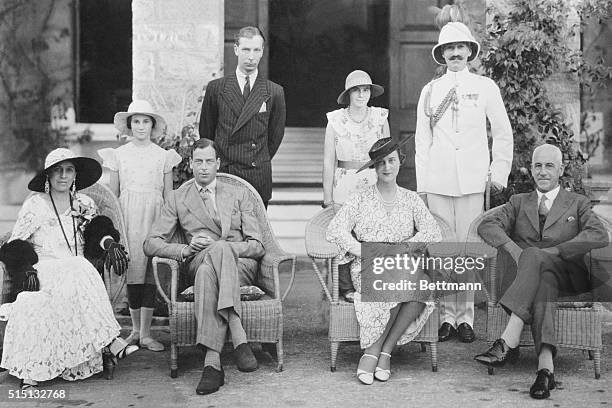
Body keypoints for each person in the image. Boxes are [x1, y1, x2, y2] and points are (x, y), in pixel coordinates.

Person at [474, 144, 608, 399]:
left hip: (569, 277)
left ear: (561, 169)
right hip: (530, 280)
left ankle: (508, 339)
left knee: (539, 260)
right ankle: (545, 371)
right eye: (538, 165)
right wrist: (516, 251)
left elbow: (598, 234)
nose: (543, 171)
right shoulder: (518, 202)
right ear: (532, 170)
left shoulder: (577, 203)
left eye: (549, 165)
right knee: (543, 281)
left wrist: (556, 252)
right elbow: (488, 225)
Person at [0, 148, 137, 389]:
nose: (63, 176)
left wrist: (110, 242)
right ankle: (112, 342)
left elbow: (97, 231)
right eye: (57, 171)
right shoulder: (36, 205)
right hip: (46, 270)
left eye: (69, 170)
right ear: (48, 176)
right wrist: (26, 269)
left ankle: (108, 343)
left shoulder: (85, 203)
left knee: (78, 264)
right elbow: (15, 244)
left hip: (78, 274)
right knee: (77, 266)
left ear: (75, 175)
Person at [415, 21, 513, 343]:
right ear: (441, 54)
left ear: (470, 51)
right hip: (439, 179)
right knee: (443, 250)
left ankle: (466, 318)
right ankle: (446, 317)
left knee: (468, 250)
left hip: (473, 179)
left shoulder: (485, 86)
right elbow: (422, 140)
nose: (455, 53)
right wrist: (423, 185)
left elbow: (502, 132)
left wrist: (498, 174)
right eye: (449, 48)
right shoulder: (430, 91)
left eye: (460, 47)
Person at [144, 138, 265, 395]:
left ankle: (212, 363)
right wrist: (185, 250)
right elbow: (150, 243)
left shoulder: (238, 193)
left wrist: (226, 247)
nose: (204, 167)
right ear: (190, 164)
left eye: (209, 161)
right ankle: (237, 332)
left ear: (218, 164)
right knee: (206, 266)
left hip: (239, 265)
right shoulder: (178, 198)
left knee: (210, 267)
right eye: (198, 161)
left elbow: (257, 246)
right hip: (197, 259)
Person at [326, 137, 442, 385]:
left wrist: (404, 248)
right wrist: (362, 251)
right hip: (369, 266)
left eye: (391, 161)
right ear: (374, 167)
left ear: (400, 161)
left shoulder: (411, 199)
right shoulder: (360, 199)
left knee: (420, 284)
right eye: (380, 163)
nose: (387, 167)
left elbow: (432, 231)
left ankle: (383, 351)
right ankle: (374, 351)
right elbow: (335, 230)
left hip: (403, 265)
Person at [98, 100, 181, 352]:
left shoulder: (163, 157)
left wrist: (169, 226)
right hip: (128, 217)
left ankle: (146, 333)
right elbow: (112, 195)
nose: (141, 126)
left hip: (155, 217)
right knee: (133, 271)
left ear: (152, 125)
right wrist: (113, 227)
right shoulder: (119, 155)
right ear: (129, 125)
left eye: (146, 121)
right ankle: (134, 330)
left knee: (149, 274)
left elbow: (169, 196)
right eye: (136, 121)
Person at [199, 26, 286, 208]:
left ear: (262, 52)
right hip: (225, 174)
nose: (251, 56)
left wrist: (259, 157)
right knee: (224, 233)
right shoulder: (216, 89)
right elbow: (206, 133)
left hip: (256, 175)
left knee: (255, 233)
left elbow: (275, 136)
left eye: (256, 50)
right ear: (236, 49)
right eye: (246, 49)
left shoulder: (274, 92)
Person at [323, 69, 390, 303]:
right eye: (356, 90)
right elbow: (328, 160)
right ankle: (346, 288)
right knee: (345, 236)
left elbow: (387, 158)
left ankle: (372, 285)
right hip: (344, 183)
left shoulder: (380, 118)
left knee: (374, 235)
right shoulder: (335, 120)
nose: (362, 95)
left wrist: (389, 189)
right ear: (348, 94)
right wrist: (327, 196)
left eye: (366, 90)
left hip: (372, 182)